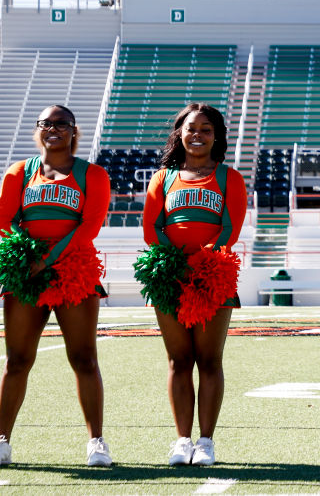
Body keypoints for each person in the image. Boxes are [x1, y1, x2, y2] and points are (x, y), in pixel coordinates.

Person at [0, 105, 113, 468]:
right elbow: (6, 221)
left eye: (61, 124)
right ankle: (1, 442)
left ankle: (96, 443)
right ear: (38, 130)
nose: (53, 129)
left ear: (73, 131)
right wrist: (28, 258)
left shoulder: (93, 174)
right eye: (46, 124)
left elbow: (89, 226)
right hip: (27, 275)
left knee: (83, 358)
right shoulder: (19, 172)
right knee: (17, 360)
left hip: (74, 271)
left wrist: (48, 259)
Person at [141, 103, 247, 466]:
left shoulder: (229, 178)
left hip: (211, 277)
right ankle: (181, 440)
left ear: (216, 136)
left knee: (210, 360)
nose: (197, 134)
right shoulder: (163, 178)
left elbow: (230, 228)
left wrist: (202, 264)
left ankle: (206, 442)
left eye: (206, 128)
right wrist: (177, 264)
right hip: (170, 277)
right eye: (191, 128)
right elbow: (152, 227)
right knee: (178, 360)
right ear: (179, 134)